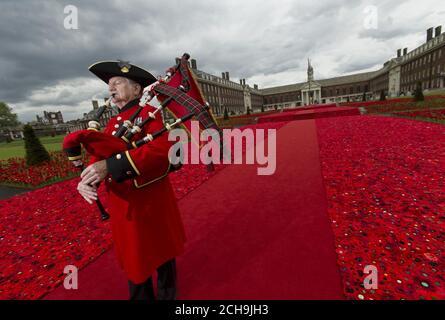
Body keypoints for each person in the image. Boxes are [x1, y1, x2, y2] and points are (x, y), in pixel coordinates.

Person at [77, 60, 186, 300]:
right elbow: (99, 157)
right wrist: (86, 179)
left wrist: (111, 166)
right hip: (123, 205)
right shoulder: (112, 123)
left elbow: (165, 151)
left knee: (162, 250)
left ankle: (168, 295)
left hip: (150, 202)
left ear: (136, 89)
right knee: (135, 258)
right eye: (109, 87)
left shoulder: (150, 114)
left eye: (116, 83)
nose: (111, 90)